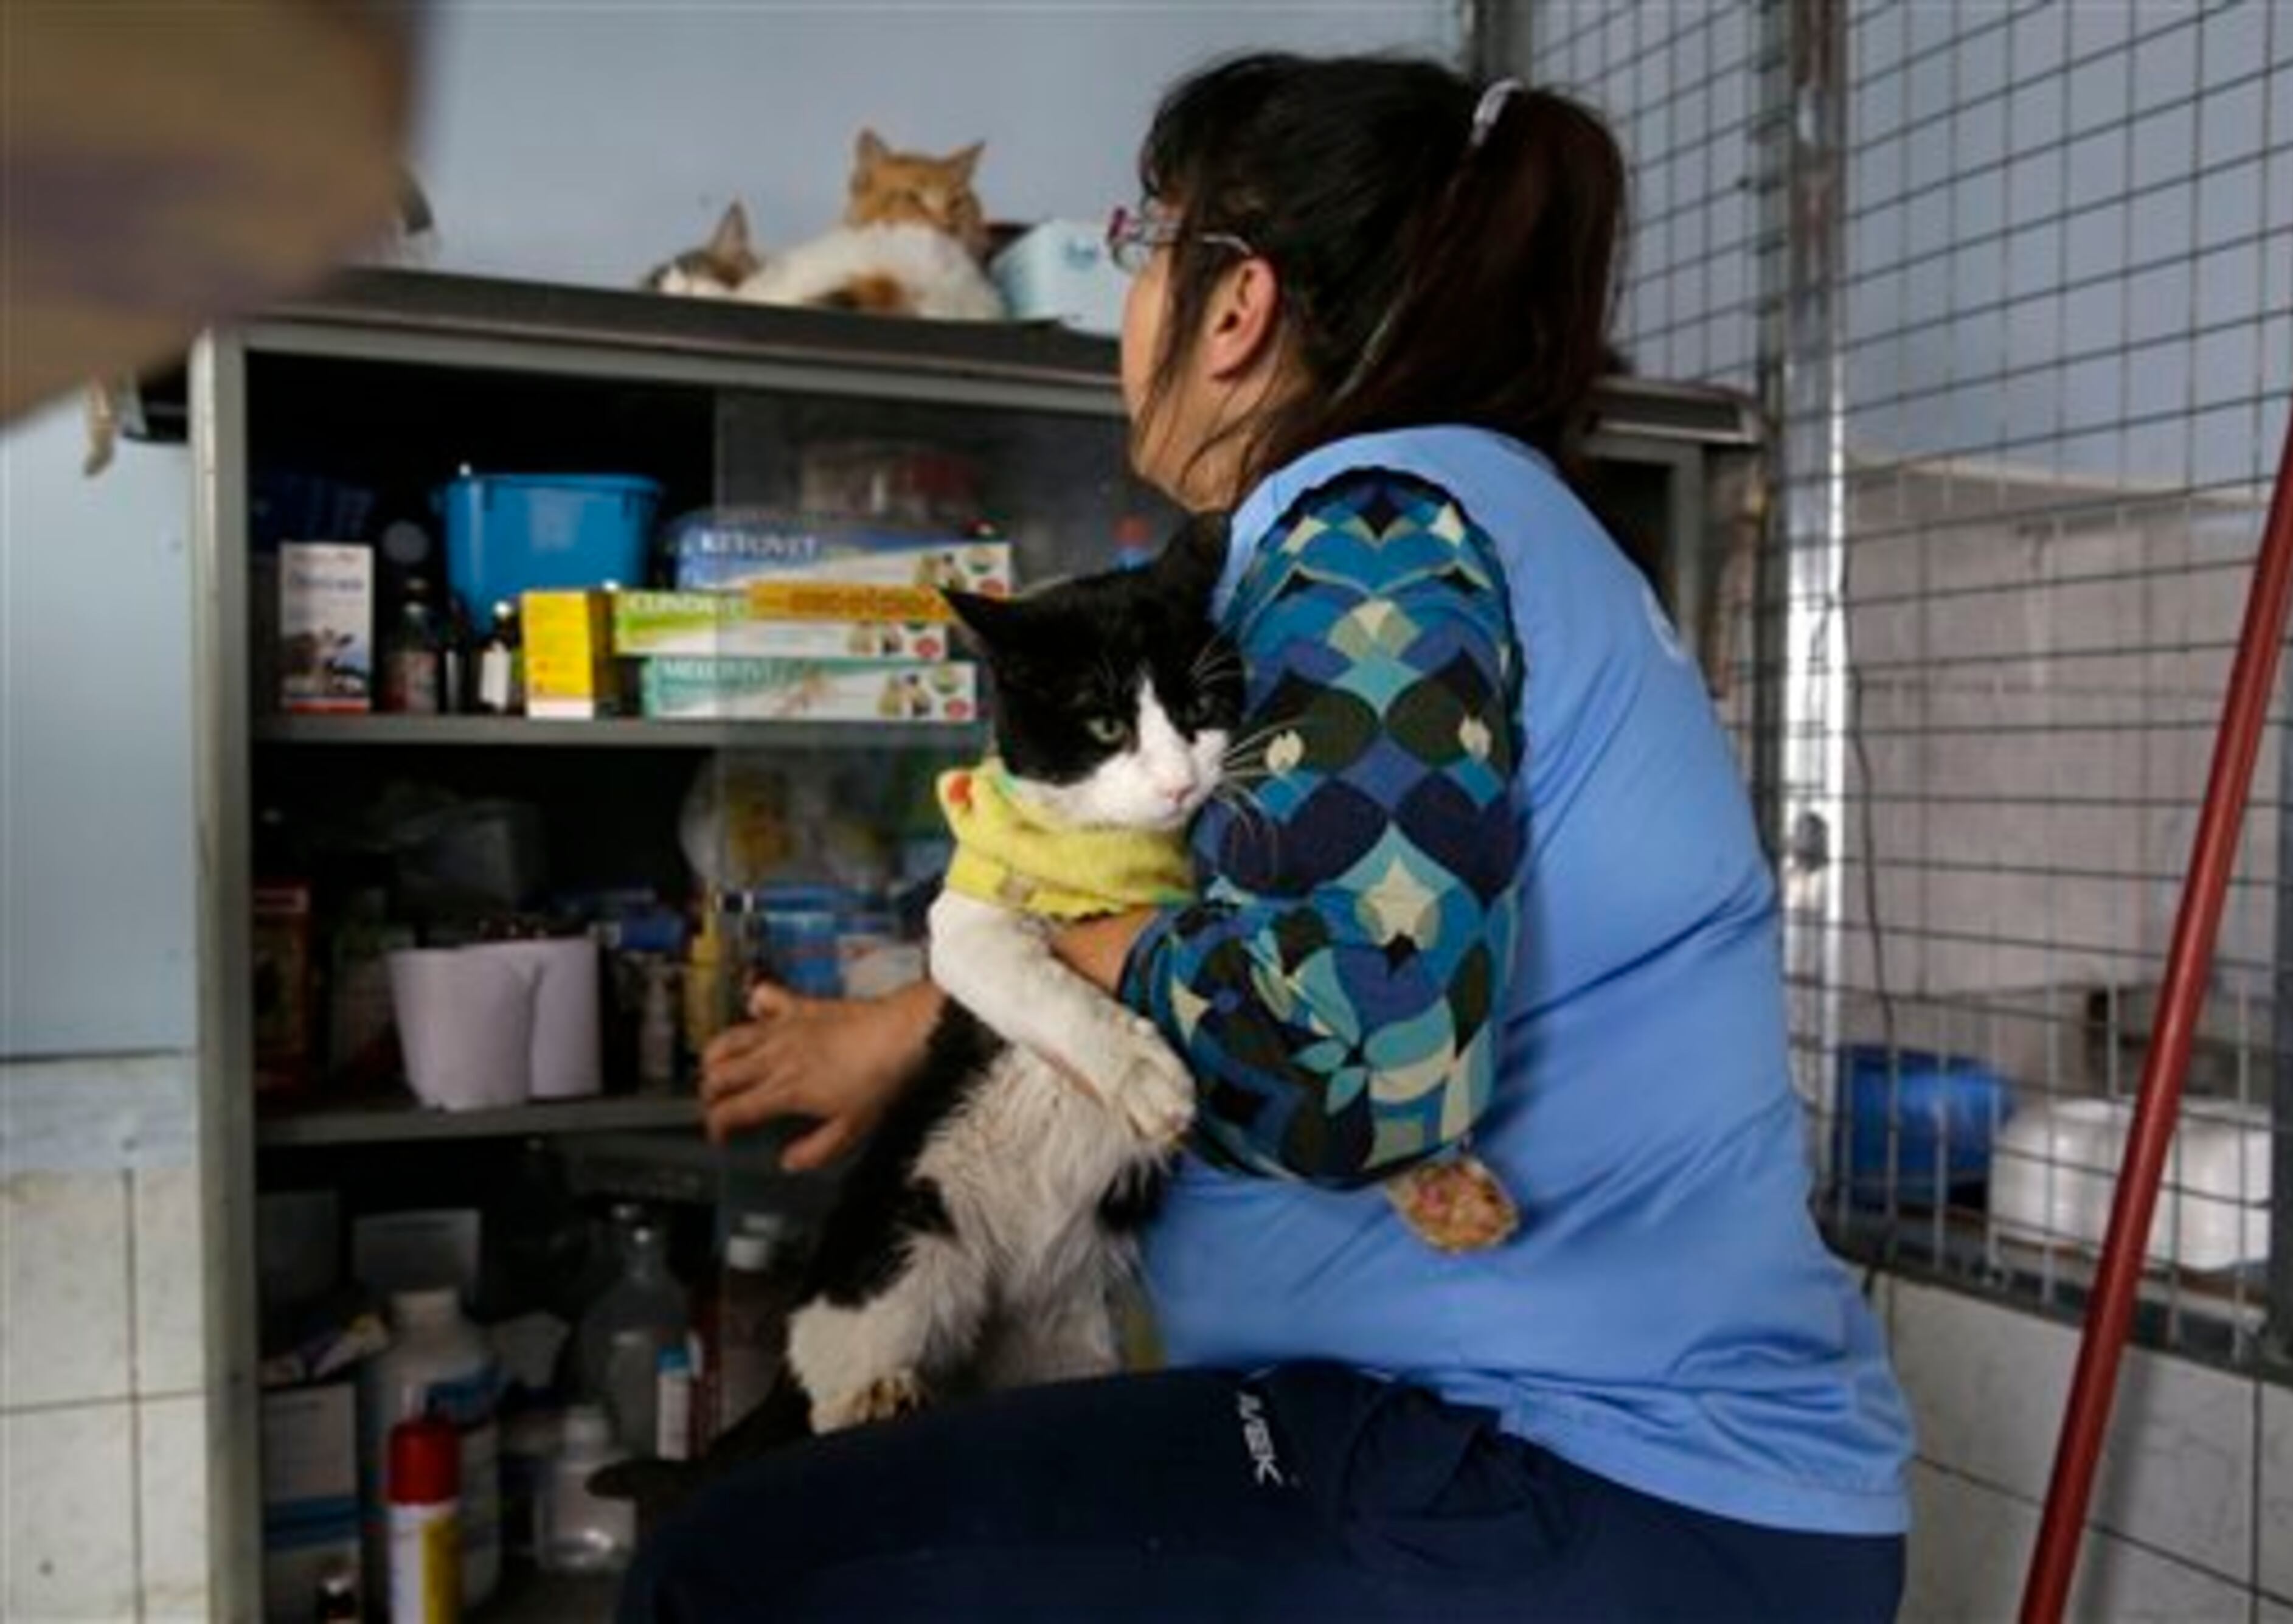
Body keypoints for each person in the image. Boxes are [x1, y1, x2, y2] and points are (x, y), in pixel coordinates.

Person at [625, 52, 1910, 1622]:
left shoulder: (1378, 535)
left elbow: (1357, 1052)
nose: (1133, 306)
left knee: (730, 1567)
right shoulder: (1455, 526)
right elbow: (1243, 897)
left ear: (1233, 305)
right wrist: (931, 1021)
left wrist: (1033, 962)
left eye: (1141, 244)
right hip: (1570, 1456)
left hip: (1570, 1472)